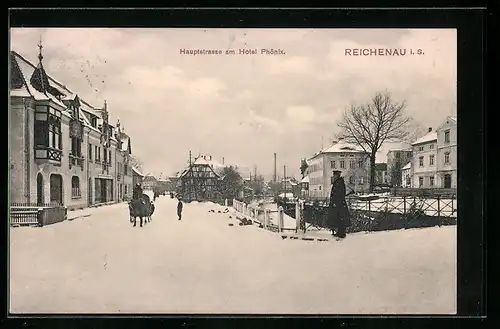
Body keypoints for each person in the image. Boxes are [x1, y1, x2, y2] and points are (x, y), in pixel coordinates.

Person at [328, 170, 350, 239]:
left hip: (339, 204)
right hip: (338, 204)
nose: (333, 177)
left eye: (335, 175)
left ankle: (341, 233)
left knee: (341, 219)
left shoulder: (339, 183)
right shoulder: (338, 182)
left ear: (337, 176)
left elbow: (339, 194)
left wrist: (335, 202)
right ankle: (340, 233)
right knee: (339, 219)